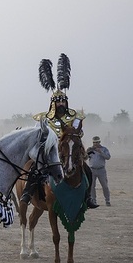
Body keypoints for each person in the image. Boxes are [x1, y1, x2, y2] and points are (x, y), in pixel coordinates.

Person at [21, 54, 98, 208]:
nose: (61, 103)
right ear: (53, 104)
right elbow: (38, 136)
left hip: (71, 152)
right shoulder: (44, 118)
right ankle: (28, 193)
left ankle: (88, 197)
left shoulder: (75, 117)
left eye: (63, 101)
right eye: (58, 102)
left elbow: (79, 133)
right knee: (35, 170)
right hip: (51, 153)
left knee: (88, 171)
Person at [86, 136, 111, 206]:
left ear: (99, 142)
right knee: (92, 186)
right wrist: (87, 153)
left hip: (101, 170)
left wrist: (101, 152)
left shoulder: (104, 149)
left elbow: (108, 157)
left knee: (105, 186)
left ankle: (107, 200)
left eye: (97, 142)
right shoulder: (90, 149)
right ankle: (93, 200)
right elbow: (84, 157)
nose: (95, 144)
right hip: (92, 170)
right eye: (94, 142)